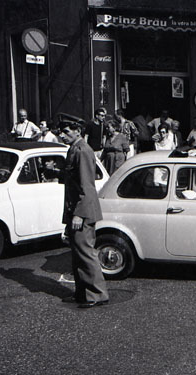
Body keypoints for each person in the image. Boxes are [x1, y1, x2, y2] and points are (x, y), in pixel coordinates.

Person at [45, 119, 109, 308]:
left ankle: (97, 294)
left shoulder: (83, 150)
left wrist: (79, 214)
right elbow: (73, 179)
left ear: (78, 131)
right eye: (60, 132)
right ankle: (82, 293)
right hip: (75, 209)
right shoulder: (74, 149)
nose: (62, 135)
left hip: (83, 211)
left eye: (66, 131)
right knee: (78, 254)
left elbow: (86, 186)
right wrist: (56, 173)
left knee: (85, 252)